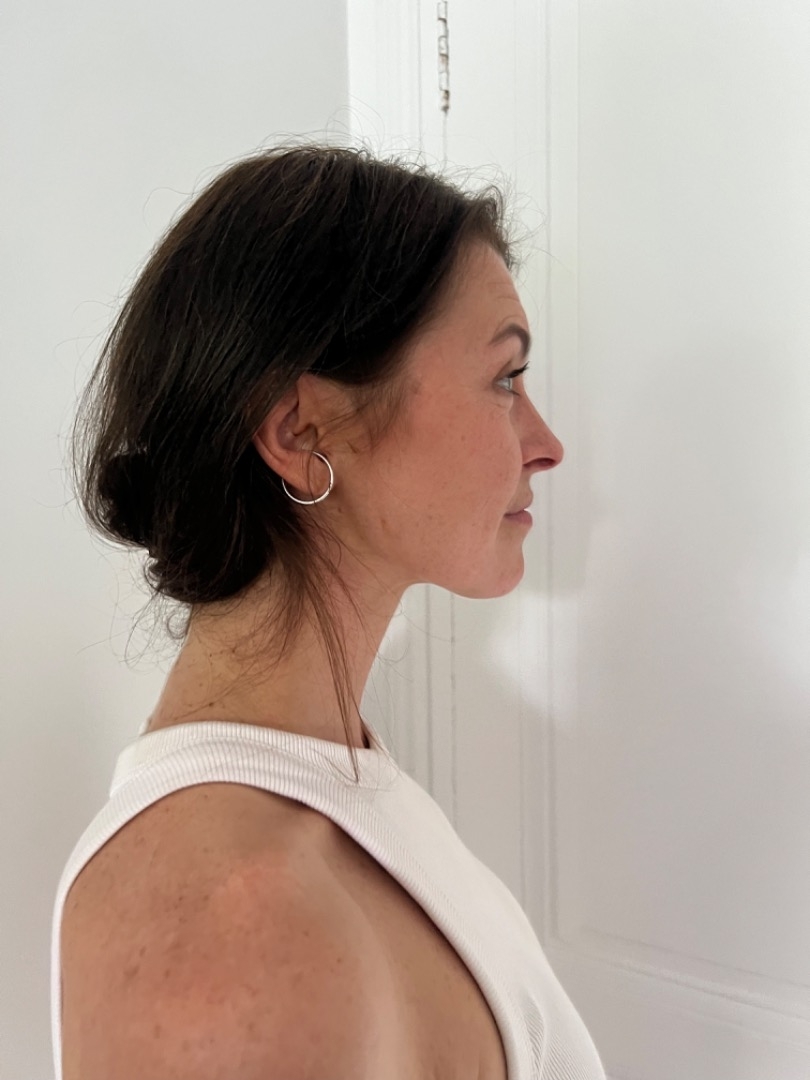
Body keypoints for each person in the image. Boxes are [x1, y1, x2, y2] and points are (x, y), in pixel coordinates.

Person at [52, 142, 606, 1080]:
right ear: (302, 432)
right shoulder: (234, 942)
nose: (545, 443)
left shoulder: (336, 782)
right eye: (504, 378)